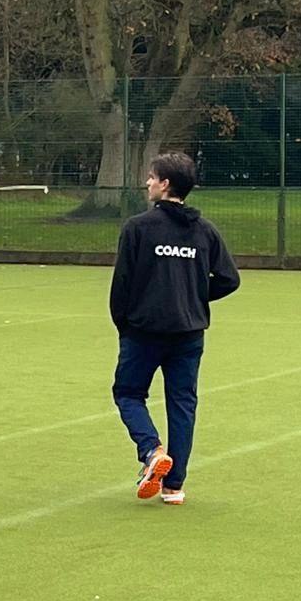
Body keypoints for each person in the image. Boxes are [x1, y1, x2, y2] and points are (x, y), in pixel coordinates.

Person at [110, 151, 241, 505]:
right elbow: (229, 279)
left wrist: (123, 323)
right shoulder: (205, 230)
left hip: (144, 331)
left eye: (152, 177)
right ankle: (174, 486)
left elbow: (122, 283)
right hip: (189, 332)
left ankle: (151, 450)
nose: (147, 183)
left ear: (165, 184)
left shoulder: (138, 227)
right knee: (182, 404)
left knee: (128, 393)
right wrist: (192, 297)